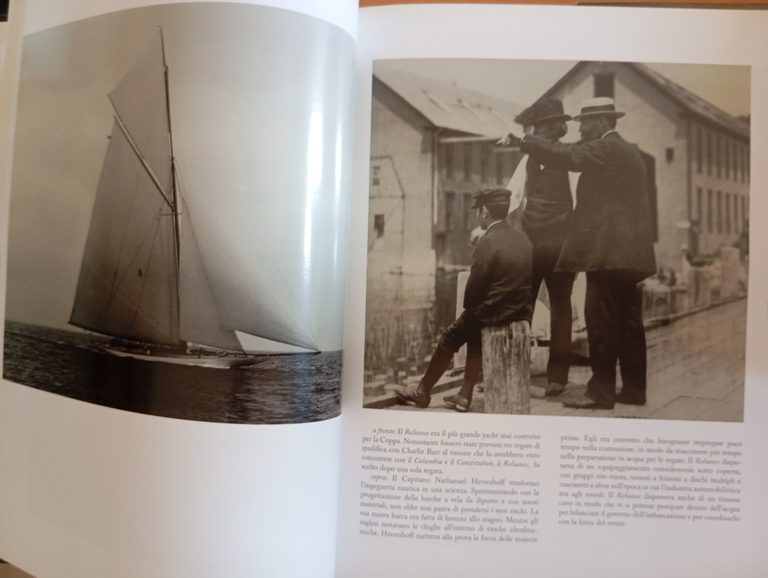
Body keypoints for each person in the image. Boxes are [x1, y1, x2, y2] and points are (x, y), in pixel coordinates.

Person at [520, 97, 656, 410]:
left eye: (584, 123)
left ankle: (601, 393)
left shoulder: (607, 148)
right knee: (629, 323)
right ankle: (634, 389)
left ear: (602, 121)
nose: (580, 129)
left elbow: (568, 155)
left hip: (608, 255)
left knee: (600, 321)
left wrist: (526, 140)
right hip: (628, 255)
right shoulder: (626, 150)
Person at [393, 189, 532, 412]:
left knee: (449, 337)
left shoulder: (487, 241)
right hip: (519, 311)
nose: (477, 216)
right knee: (474, 331)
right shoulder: (523, 239)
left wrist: (469, 307)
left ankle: (422, 391)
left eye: (478, 211)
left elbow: (474, 289)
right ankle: (464, 396)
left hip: (493, 312)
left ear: (484, 211)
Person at [509, 98, 576, 397]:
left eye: (543, 127)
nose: (536, 133)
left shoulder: (571, 159)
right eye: (535, 128)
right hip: (531, 244)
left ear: (557, 127)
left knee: (561, 308)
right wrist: (488, 226)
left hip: (561, 244)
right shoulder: (528, 160)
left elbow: (579, 201)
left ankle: (557, 377)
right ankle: (513, 368)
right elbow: (512, 196)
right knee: (522, 306)